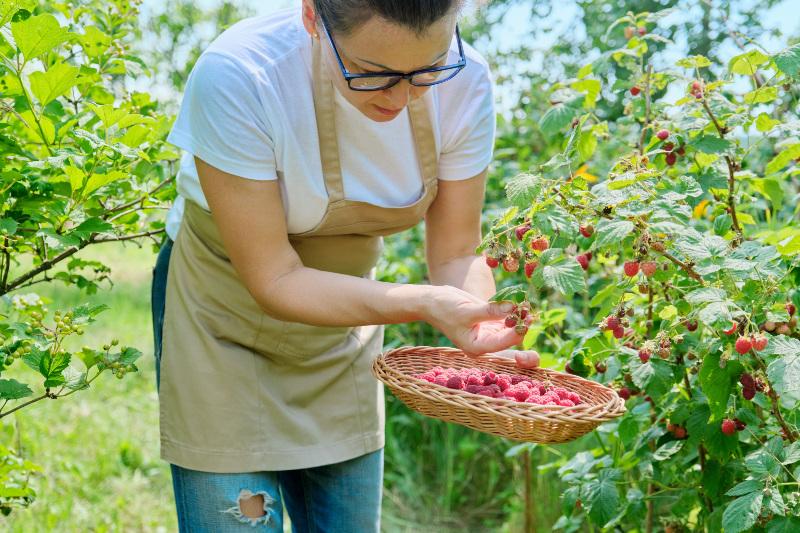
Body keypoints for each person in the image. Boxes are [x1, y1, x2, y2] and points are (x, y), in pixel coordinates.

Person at [150, 0, 540, 531]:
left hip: (347, 320)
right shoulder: (240, 75)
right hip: (223, 315)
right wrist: (424, 303)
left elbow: (455, 252)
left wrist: (477, 317)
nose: (402, 97)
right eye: (372, 74)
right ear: (313, 18)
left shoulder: (467, 81)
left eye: (427, 71)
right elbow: (275, 277)